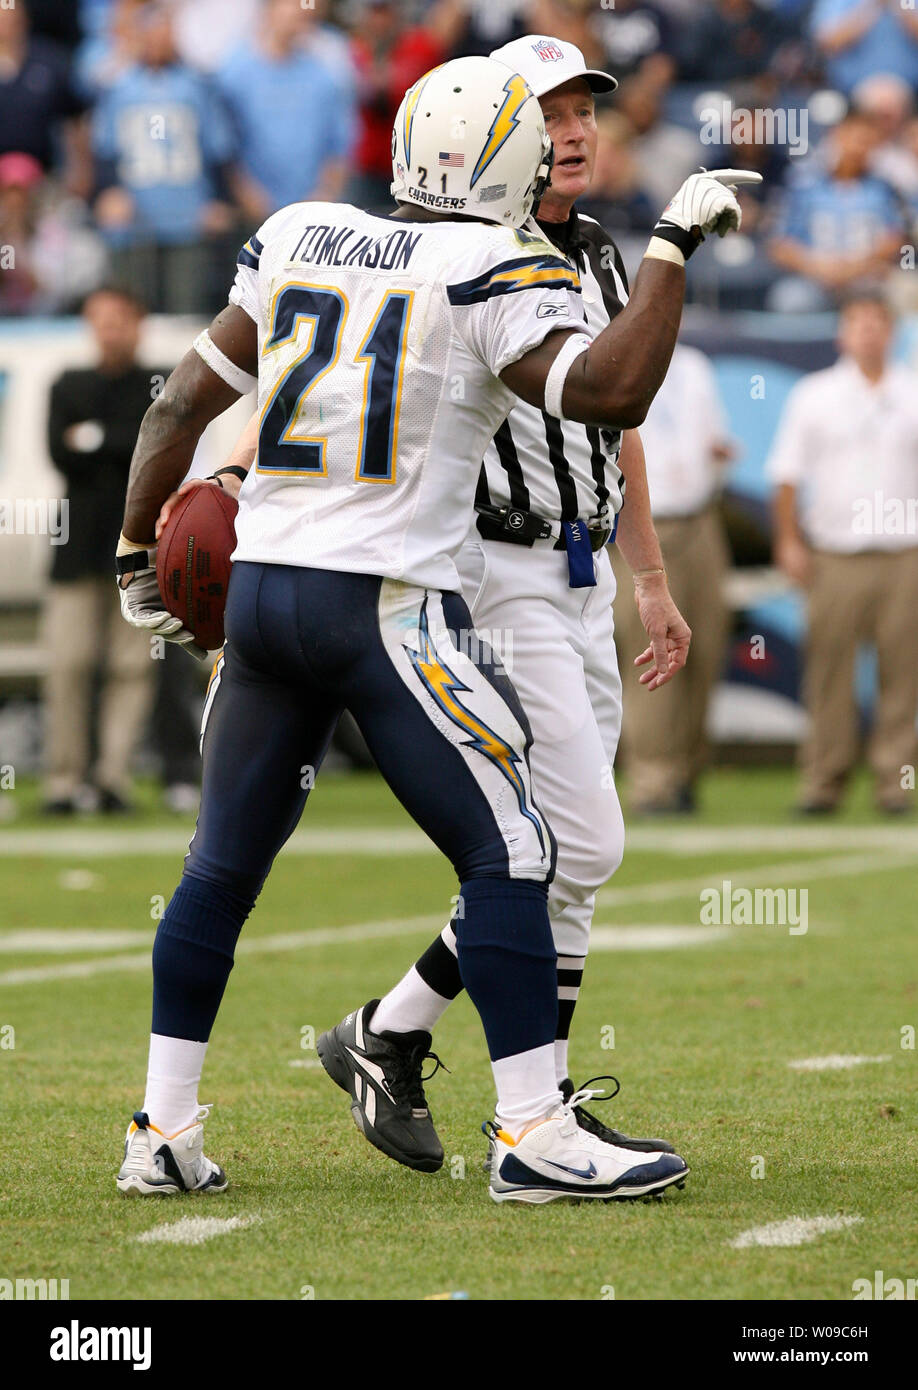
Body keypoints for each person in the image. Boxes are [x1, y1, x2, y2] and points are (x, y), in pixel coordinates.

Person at [114, 54, 752, 1204]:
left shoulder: (302, 230)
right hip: (379, 605)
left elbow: (177, 404)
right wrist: (670, 250)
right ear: (499, 160)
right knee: (514, 850)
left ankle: (160, 1129)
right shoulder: (483, 257)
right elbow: (610, 394)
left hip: (262, 590)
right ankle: (530, 1132)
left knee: (218, 868)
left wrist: (129, 552)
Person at [768, 290, 918, 815]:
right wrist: (789, 541)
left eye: (878, 322)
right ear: (842, 332)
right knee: (829, 672)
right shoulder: (815, 395)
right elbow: (787, 476)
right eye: (858, 322)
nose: (869, 332)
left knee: (904, 675)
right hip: (835, 553)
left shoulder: (913, 392)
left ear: (892, 331)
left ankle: (893, 784)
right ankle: (823, 782)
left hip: (904, 554)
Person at [43, 286, 164, 815]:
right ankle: (64, 783)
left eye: (119, 319)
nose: (109, 330)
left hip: (135, 549)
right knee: (68, 664)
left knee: (130, 667)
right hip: (75, 548)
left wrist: (94, 440)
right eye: (100, 321)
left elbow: (154, 452)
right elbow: (60, 453)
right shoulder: (68, 383)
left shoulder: (158, 385)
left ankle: (113, 778)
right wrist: (116, 445)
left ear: (137, 323)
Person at [611, 344, 733, 814]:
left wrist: (717, 457)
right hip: (644, 526)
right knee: (651, 652)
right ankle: (652, 780)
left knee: (702, 651)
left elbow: (712, 439)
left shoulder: (697, 366)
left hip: (701, 520)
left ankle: (686, 772)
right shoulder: (614, 359)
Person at [216, 0, 355, 222]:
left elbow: (340, 145)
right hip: (254, 215)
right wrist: (249, 198)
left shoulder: (322, 74)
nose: (302, 9)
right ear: (270, 8)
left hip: (314, 215)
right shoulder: (234, 71)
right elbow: (224, 148)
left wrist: (323, 196)